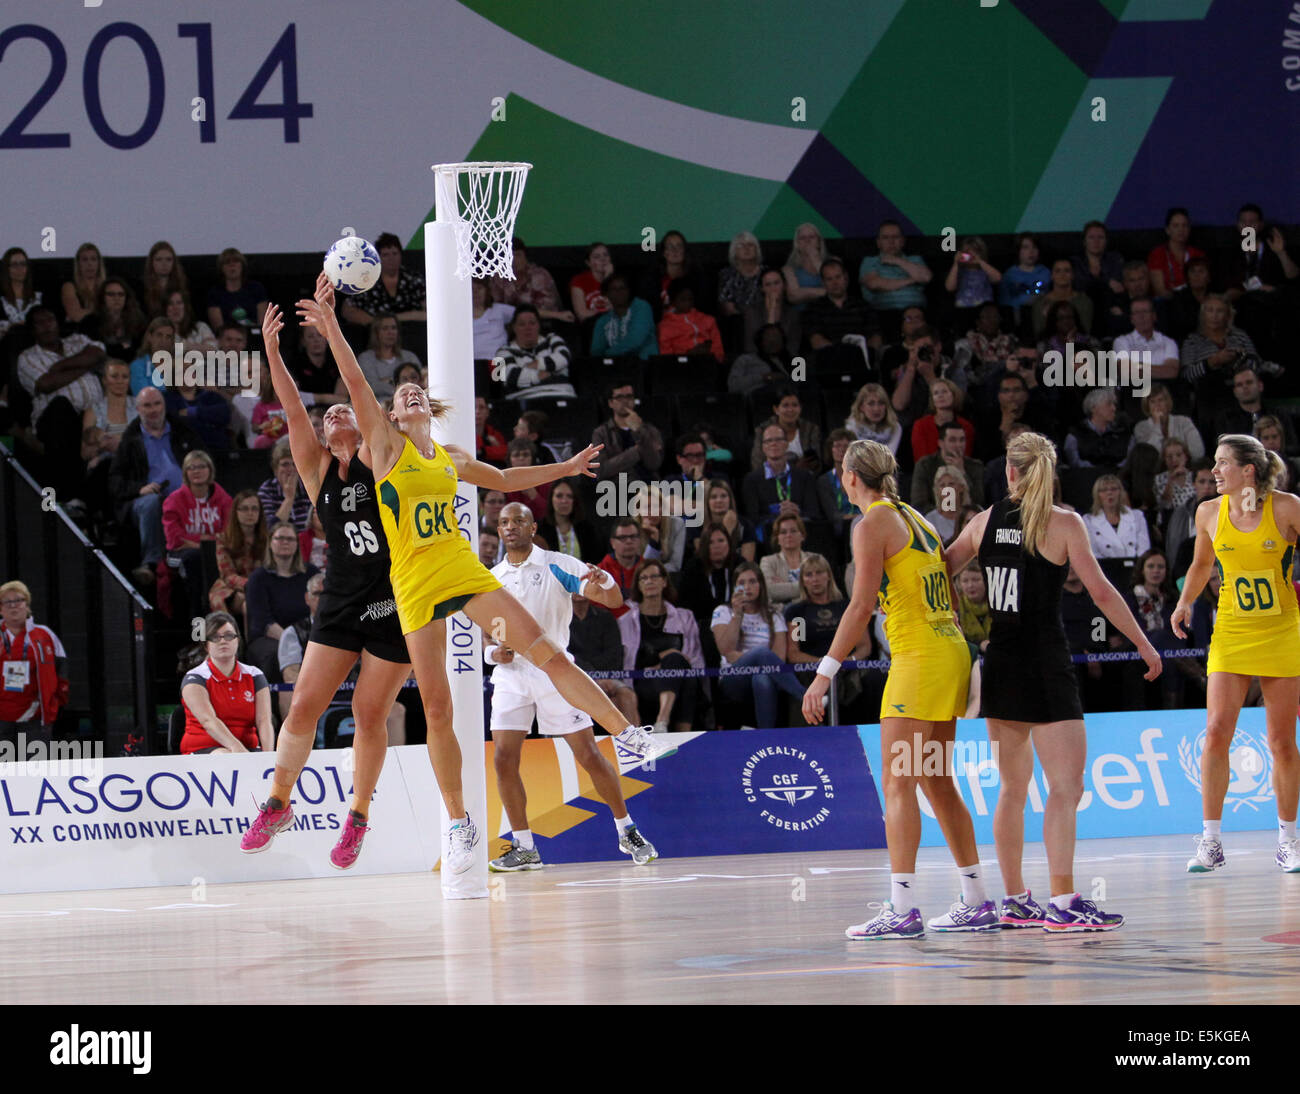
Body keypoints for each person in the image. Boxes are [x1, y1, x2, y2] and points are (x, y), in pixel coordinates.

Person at [302, 272, 668, 874]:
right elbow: (356, 381)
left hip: (460, 567)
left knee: (549, 652)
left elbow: (504, 481)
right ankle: (459, 822)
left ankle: (626, 733)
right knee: (440, 708)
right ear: (392, 414)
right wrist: (333, 322)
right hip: (413, 582)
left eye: (418, 390)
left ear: (430, 408)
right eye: (403, 394)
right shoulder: (386, 447)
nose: (411, 394)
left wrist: (566, 467)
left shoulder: (449, 457)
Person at [943, 431, 1160, 930]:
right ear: (1050, 473)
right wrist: (1144, 645)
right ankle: (1062, 901)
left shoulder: (983, 521)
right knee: (1066, 786)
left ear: (1011, 473)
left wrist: (950, 622)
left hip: (1000, 662)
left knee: (1012, 790)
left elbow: (939, 570)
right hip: (1045, 661)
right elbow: (1102, 593)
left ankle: (1016, 899)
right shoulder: (1064, 523)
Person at [802, 439, 989, 938]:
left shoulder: (872, 523)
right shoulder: (917, 517)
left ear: (850, 478)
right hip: (950, 649)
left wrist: (824, 672)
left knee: (898, 783)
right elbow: (943, 579)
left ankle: (903, 908)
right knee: (935, 780)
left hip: (921, 658)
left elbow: (860, 605)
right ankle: (976, 898)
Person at [487, 504, 659, 869]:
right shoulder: (492, 576)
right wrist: (493, 652)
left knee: (588, 755)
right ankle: (525, 846)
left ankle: (627, 830)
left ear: (533, 527)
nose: (510, 527)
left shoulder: (557, 564)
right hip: (512, 677)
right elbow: (492, 631)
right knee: (503, 759)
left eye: (518, 521)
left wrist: (607, 582)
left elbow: (612, 601)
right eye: (504, 522)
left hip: (556, 673)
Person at [1172, 434, 1300, 874]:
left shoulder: (1286, 507)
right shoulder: (1208, 511)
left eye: (1223, 462)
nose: (1214, 471)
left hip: (1282, 631)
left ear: (1249, 470)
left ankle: (1287, 839)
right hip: (1231, 631)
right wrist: (1184, 602)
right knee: (1215, 731)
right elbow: (1201, 565)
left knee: (1282, 741)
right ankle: (1211, 842)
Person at [109, 386, 199, 587]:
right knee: (151, 502)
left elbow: (203, 458)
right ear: (138, 409)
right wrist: (140, 488)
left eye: (157, 404)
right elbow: (115, 481)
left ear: (164, 405)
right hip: (147, 499)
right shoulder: (131, 440)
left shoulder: (182, 430)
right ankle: (151, 563)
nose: (153, 410)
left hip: (187, 495)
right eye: (147, 405)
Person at [17, 307, 107, 505]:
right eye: (40, 323)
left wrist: (59, 367)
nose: (47, 326)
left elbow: (99, 353)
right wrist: (85, 366)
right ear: (32, 330)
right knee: (61, 406)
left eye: (50, 320)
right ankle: (68, 499)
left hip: (95, 415)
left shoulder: (78, 340)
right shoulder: (27, 357)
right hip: (56, 421)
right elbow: (46, 384)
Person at [712, 563, 806, 728]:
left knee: (762, 677)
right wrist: (738, 615)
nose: (747, 587)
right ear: (734, 587)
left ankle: (765, 737)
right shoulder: (723, 611)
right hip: (732, 678)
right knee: (761, 653)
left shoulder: (774, 615)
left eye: (752, 581)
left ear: (761, 585)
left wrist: (753, 658)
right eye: (741, 583)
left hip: (765, 675)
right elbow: (726, 650)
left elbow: (778, 660)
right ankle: (805, 697)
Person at [618, 558, 705, 733]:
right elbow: (627, 664)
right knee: (675, 661)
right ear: (638, 585)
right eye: (644, 578)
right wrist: (661, 662)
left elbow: (694, 661)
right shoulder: (625, 621)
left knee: (681, 669)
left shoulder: (684, 617)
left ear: (664, 581)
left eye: (654, 576)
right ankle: (679, 734)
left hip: (680, 681)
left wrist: (667, 664)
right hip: (642, 683)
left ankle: (663, 722)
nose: (649, 581)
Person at [179, 612, 274, 754]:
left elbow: (264, 721)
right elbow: (208, 721)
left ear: (237, 640)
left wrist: (267, 757)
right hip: (204, 749)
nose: (223, 641)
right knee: (225, 756)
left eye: (229, 636)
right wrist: (239, 751)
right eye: (215, 637)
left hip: (248, 750)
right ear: (207, 645)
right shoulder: (195, 678)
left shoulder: (255, 675)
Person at [244, 520, 318, 682]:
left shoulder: (311, 573)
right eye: (280, 538)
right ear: (271, 543)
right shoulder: (258, 578)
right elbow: (263, 621)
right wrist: (293, 640)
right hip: (268, 638)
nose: (285, 542)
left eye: (290, 539)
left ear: (297, 544)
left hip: (307, 635)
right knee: (276, 655)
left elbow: (320, 609)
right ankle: (275, 706)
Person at [162, 450, 232, 622]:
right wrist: (208, 541)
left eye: (201, 466)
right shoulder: (174, 500)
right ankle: (198, 631)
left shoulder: (223, 498)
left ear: (210, 470)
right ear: (185, 473)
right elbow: (174, 538)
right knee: (196, 563)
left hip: (214, 551)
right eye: (191, 468)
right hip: (179, 555)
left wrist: (197, 542)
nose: (197, 471)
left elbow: (230, 533)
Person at [0, 581, 66, 746]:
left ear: (27, 605)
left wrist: (54, 704)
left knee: (35, 771)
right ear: (1, 608)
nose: (13, 605)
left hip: (35, 718)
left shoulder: (44, 635)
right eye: (7, 601)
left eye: (19, 600)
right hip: (1, 718)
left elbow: (62, 671)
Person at [569, 589, 639, 724]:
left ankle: (635, 742)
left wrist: (603, 677)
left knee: (626, 695)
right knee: (564, 698)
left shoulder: (605, 617)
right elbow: (565, 654)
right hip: (573, 680)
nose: (577, 590)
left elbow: (615, 652)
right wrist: (594, 677)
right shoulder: (559, 618)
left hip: (607, 677)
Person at [741, 424, 820, 532]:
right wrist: (780, 515)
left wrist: (797, 512)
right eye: (769, 441)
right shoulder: (751, 480)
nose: (774, 444)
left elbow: (814, 513)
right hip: (768, 535)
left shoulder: (805, 477)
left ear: (786, 444)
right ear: (763, 447)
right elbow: (752, 518)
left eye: (778, 439)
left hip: (802, 532)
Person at [338, 233, 426, 329]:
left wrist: (395, 319)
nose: (391, 258)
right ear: (378, 258)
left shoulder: (414, 279)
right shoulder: (367, 281)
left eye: (394, 253)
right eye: (385, 255)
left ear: (401, 255)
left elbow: (430, 311)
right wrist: (376, 324)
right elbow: (347, 310)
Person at [859, 221, 930, 337]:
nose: (891, 242)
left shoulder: (914, 259)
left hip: (916, 311)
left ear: (902, 241)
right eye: (886, 238)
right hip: (884, 313)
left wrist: (897, 260)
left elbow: (926, 277)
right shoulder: (870, 261)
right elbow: (875, 284)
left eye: (895, 237)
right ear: (878, 243)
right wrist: (911, 280)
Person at [495, 305, 575, 399]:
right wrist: (538, 375)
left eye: (532, 323)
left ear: (539, 325)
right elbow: (504, 377)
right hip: (525, 402)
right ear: (514, 327)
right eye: (522, 324)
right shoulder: (500, 352)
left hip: (562, 395)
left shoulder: (553, 338)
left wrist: (535, 364)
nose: (528, 328)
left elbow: (564, 357)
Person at [489, 237, 573, 324]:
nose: (513, 260)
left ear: (526, 257)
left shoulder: (540, 276)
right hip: (509, 325)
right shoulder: (497, 278)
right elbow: (497, 309)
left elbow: (549, 309)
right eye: (509, 256)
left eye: (518, 255)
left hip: (542, 322)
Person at [592, 381, 664, 482]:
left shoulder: (650, 430)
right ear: (610, 403)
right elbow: (601, 471)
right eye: (620, 397)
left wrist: (639, 431)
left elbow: (654, 464)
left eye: (629, 397)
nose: (625, 401)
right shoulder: (601, 433)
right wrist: (636, 451)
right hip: (616, 489)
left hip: (647, 487)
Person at [210, 489, 266, 615]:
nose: (250, 513)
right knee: (244, 600)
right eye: (244, 509)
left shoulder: (269, 539)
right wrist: (251, 584)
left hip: (263, 586)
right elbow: (227, 574)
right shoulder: (224, 539)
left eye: (254, 509)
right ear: (236, 512)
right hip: (231, 587)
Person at [911, 421, 984, 513]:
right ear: (940, 443)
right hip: (933, 519)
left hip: (966, 520)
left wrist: (962, 473)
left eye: (962, 440)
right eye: (952, 440)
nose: (958, 445)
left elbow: (979, 502)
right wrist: (944, 516)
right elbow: (919, 503)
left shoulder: (975, 466)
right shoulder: (925, 465)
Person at [750, 388, 822, 474]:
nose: (790, 410)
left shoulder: (811, 429)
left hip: (804, 479)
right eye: (785, 405)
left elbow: (817, 464)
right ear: (776, 409)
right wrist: (794, 468)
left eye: (795, 405)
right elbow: (757, 464)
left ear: (800, 408)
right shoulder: (762, 431)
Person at [1082, 474, 1150, 561]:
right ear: (1097, 494)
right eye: (1104, 490)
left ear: (1121, 492)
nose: (1109, 493)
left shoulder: (1137, 516)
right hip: (1105, 569)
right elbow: (1092, 552)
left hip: (1134, 567)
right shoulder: (1089, 520)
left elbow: (1144, 549)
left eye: (1113, 489)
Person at [589, 273, 657, 359]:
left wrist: (608, 355)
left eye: (623, 288)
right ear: (606, 294)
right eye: (613, 289)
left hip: (644, 364)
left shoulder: (641, 307)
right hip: (616, 367)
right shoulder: (603, 321)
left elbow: (635, 340)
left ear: (630, 291)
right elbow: (596, 350)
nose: (619, 292)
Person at [1131, 383, 1204, 462]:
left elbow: (1198, 452)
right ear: (1147, 406)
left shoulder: (1184, 421)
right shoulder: (1141, 427)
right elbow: (1148, 458)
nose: (1157, 405)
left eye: (1160, 400)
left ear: (1167, 402)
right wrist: (1157, 425)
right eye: (1152, 402)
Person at [356, 315, 421, 401]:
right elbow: (371, 387)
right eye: (385, 328)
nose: (390, 332)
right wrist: (400, 385)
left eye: (393, 328)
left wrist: (389, 381)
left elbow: (420, 383)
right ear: (376, 333)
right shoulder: (365, 358)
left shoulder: (409, 357)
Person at [205, 248, 268, 336]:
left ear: (242, 265)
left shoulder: (256, 289)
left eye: (236, 261)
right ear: (221, 268)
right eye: (227, 262)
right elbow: (218, 328)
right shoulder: (215, 293)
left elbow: (262, 323)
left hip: (254, 337)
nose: (232, 265)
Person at [910, 378, 973, 463]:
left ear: (954, 395)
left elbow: (965, 458)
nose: (940, 395)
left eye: (944, 391)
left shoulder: (966, 426)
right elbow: (921, 460)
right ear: (933, 400)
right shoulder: (920, 425)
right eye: (936, 393)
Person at [657, 281, 723, 361]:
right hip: (682, 367)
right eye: (683, 299)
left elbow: (718, 351)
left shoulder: (708, 320)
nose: (687, 303)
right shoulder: (665, 327)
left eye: (690, 299)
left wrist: (708, 356)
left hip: (708, 364)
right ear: (673, 301)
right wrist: (688, 357)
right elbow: (667, 360)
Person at [258, 436, 313, 532]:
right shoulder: (267, 490)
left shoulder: (308, 487)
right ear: (275, 469)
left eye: (294, 464)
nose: (291, 469)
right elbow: (270, 529)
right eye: (285, 464)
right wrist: (289, 499)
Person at [1147, 207, 1205, 298]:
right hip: (1168, 303)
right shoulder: (1157, 254)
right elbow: (1160, 291)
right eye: (1176, 226)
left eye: (1184, 225)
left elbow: (1203, 286)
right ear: (1167, 230)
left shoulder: (1198, 254)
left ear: (1189, 229)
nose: (1181, 230)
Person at [743, 268, 801, 355]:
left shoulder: (793, 313)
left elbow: (793, 346)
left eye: (776, 283)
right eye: (768, 285)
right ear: (762, 288)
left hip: (785, 361)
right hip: (758, 360)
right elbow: (752, 346)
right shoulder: (752, 312)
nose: (773, 288)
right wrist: (772, 310)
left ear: (784, 285)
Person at [1030, 260, 1094, 337]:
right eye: (1058, 271)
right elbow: (1039, 332)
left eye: (1067, 271)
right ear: (1052, 275)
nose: (1062, 275)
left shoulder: (1084, 302)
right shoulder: (1040, 303)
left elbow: (1085, 331)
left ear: (1073, 275)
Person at [760, 514, 812, 606]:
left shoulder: (814, 559)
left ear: (802, 535)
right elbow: (770, 590)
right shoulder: (767, 562)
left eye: (793, 531)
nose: (788, 535)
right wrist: (806, 585)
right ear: (777, 539)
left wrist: (785, 586)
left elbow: (824, 587)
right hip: (781, 613)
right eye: (783, 532)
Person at [718, 230, 765, 318]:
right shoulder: (727, 275)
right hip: (738, 321)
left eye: (750, 245)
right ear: (734, 251)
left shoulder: (767, 273)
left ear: (757, 250)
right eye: (741, 245)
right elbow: (728, 308)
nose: (746, 248)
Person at [844, 383, 902, 452]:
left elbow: (890, 456)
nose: (876, 409)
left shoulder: (895, 427)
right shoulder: (852, 427)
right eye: (871, 403)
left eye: (881, 403)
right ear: (861, 407)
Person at [61, 242, 107, 327]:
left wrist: (85, 311)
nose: (89, 264)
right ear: (78, 264)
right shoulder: (69, 286)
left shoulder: (107, 286)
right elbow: (75, 315)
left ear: (99, 263)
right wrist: (102, 311)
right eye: (85, 260)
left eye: (93, 259)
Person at [783, 224, 829, 307]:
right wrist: (824, 292)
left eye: (811, 237)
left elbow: (837, 288)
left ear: (819, 242)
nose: (807, 240)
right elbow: (793, 296)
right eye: (802, 238)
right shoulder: (789, 268)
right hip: (801, 316)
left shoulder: (833, 262)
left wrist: (816, 261)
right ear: (797, 244)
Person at [140, 241, 189, 320]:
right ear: (151, 262)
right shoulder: (142, 288)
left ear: (174, 262)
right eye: (159, 259)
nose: (164, 264)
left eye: (168, 259)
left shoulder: (182, 286)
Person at [569, 242, 614, 323]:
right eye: (597, 257)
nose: (603, 259)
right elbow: (582, 315)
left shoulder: (618, 280)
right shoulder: (579, 281)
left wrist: (608, 278)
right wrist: (604, 311)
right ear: (588, 263)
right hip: (592, 325)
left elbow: (620, 307)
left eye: (606, 255)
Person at [471, 276, 514, 361]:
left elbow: (526, 313)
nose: (475, 292)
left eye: (479, 288)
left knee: (500, 372)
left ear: (486, 291)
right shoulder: (461, 316)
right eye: (472, 289)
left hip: (498, 361)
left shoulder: (499, 309)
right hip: (471, 363)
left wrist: (549, 314)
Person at [164, 290, 217, 357]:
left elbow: (213, 349)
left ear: (186, 307)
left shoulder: (200, 327)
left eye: (179, 303)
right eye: (170, 304)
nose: (175, 308)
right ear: (165, 309)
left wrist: (186, 347)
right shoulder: (160, 332)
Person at [474, 396, 508, 467]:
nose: (477, 411)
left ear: (487, 412)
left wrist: (483, 451)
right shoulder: (464, 434)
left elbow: (505, 452)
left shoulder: (495, 434)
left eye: (482, 408)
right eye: (474, 407)